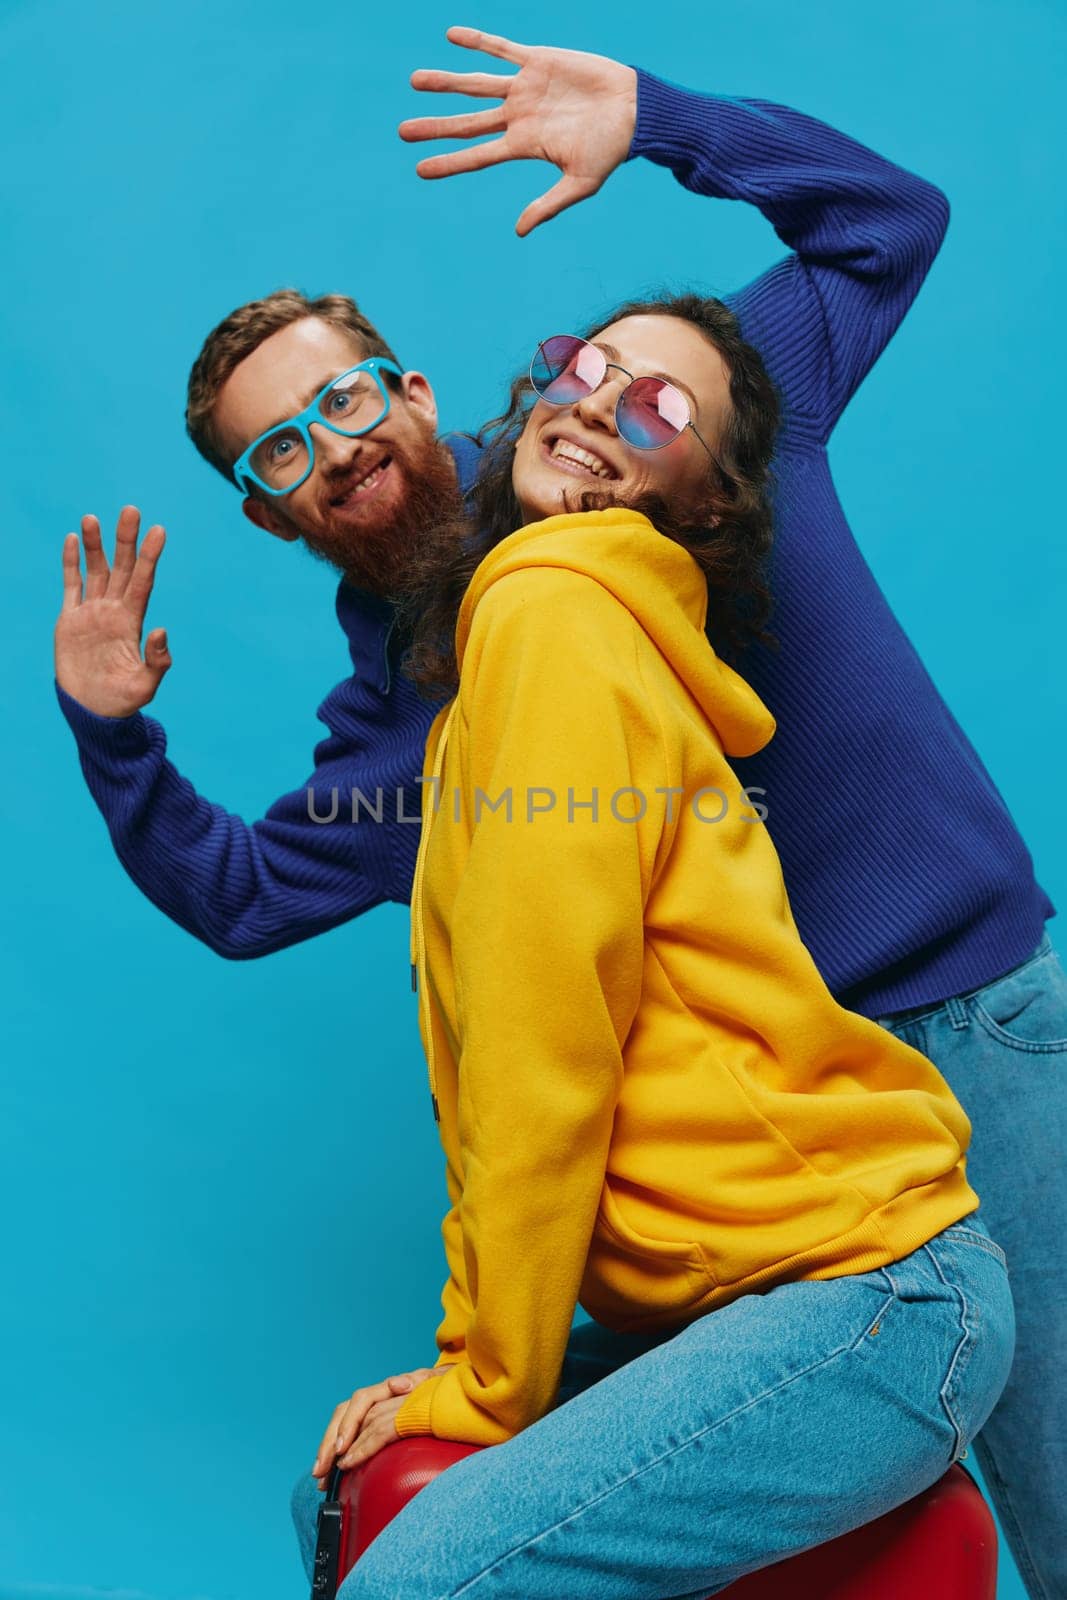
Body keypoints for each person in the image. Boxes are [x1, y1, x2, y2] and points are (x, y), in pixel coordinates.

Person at [52, 31, 1065, 1595]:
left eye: (345, 398)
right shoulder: (418, 713)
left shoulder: (675, 410)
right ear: (266, 510)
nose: (336, 448)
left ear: (419, 387)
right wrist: (115, 735)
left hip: (966, 1016)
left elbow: (891, 224)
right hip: (769, 1153)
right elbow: (253, 897)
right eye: (282, 449)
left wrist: (662, 122)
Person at [289, 298, 1015, 1598]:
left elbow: (543, 1037)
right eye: (587, 366)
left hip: (869, 1297)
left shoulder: (556, 617)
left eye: (660, 407)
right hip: (760, 1298)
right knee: (335, 1498)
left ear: (706, 503)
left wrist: (491, 1377)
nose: (599, 402)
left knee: (417, 1581)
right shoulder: (535, 629)